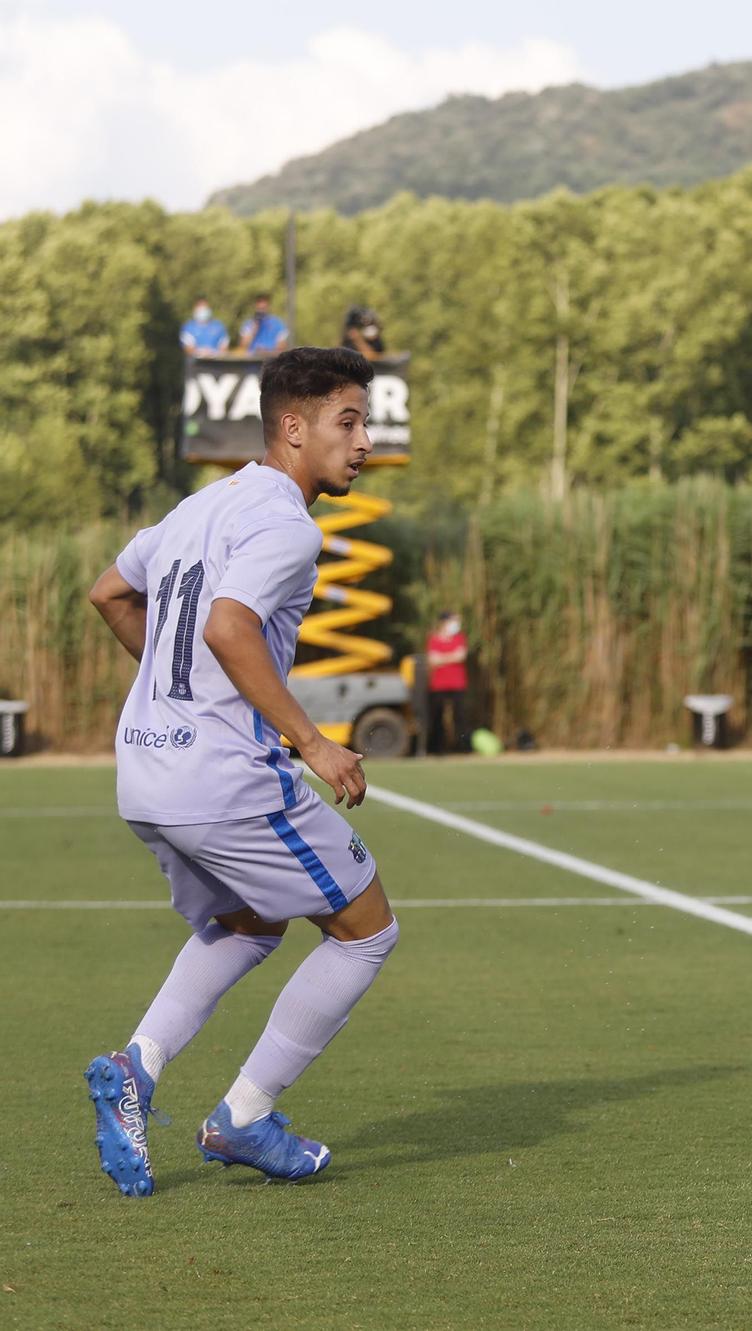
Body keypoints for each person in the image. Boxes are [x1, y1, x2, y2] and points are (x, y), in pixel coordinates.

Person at [81, 346, 397, 1196]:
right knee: (367, 928)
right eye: (349, 420)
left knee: (253, 922)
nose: (365, 439)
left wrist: (172, 689)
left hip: (145, 771)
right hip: (223, 776)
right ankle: (246, 1117)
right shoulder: (289, 523)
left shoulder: (200, 505)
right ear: (293, 428)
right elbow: (228, 627)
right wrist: (315, 742)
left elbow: (110, 590)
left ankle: (134, 1068)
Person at [425, 612, 469, 754]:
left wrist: (442, 658)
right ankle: (437, 748)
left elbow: (461, 656)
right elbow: (432, 660)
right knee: (437, 717)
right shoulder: (434, 639)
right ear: (444, 623)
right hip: (438, 684)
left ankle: (462, 747)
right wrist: (452, 656)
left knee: (460, 717)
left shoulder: (459, 638)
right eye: (454, 621)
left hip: (458, 684)